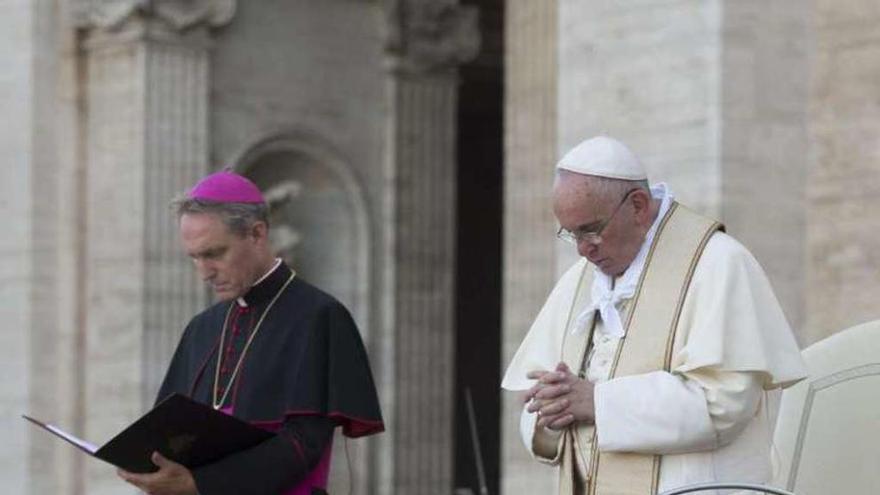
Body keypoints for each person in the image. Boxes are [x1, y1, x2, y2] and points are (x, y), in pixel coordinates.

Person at [502, 136, 807, 495]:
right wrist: (551, 414)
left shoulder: (717, 264)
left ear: (638, 206)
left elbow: (724, 403)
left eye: (592, 230)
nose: (584, 250)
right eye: (572, 234)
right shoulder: (579, 283)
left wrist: (596, 401)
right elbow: (540, 411)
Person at [117, 170, 384, 495]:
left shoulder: (319, 316)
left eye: (214, 253)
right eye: (195, 257)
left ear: (256, 234)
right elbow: (168, 434)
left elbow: (304, 443)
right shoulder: (201, 328)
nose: (204, 272)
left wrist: (202, 485)